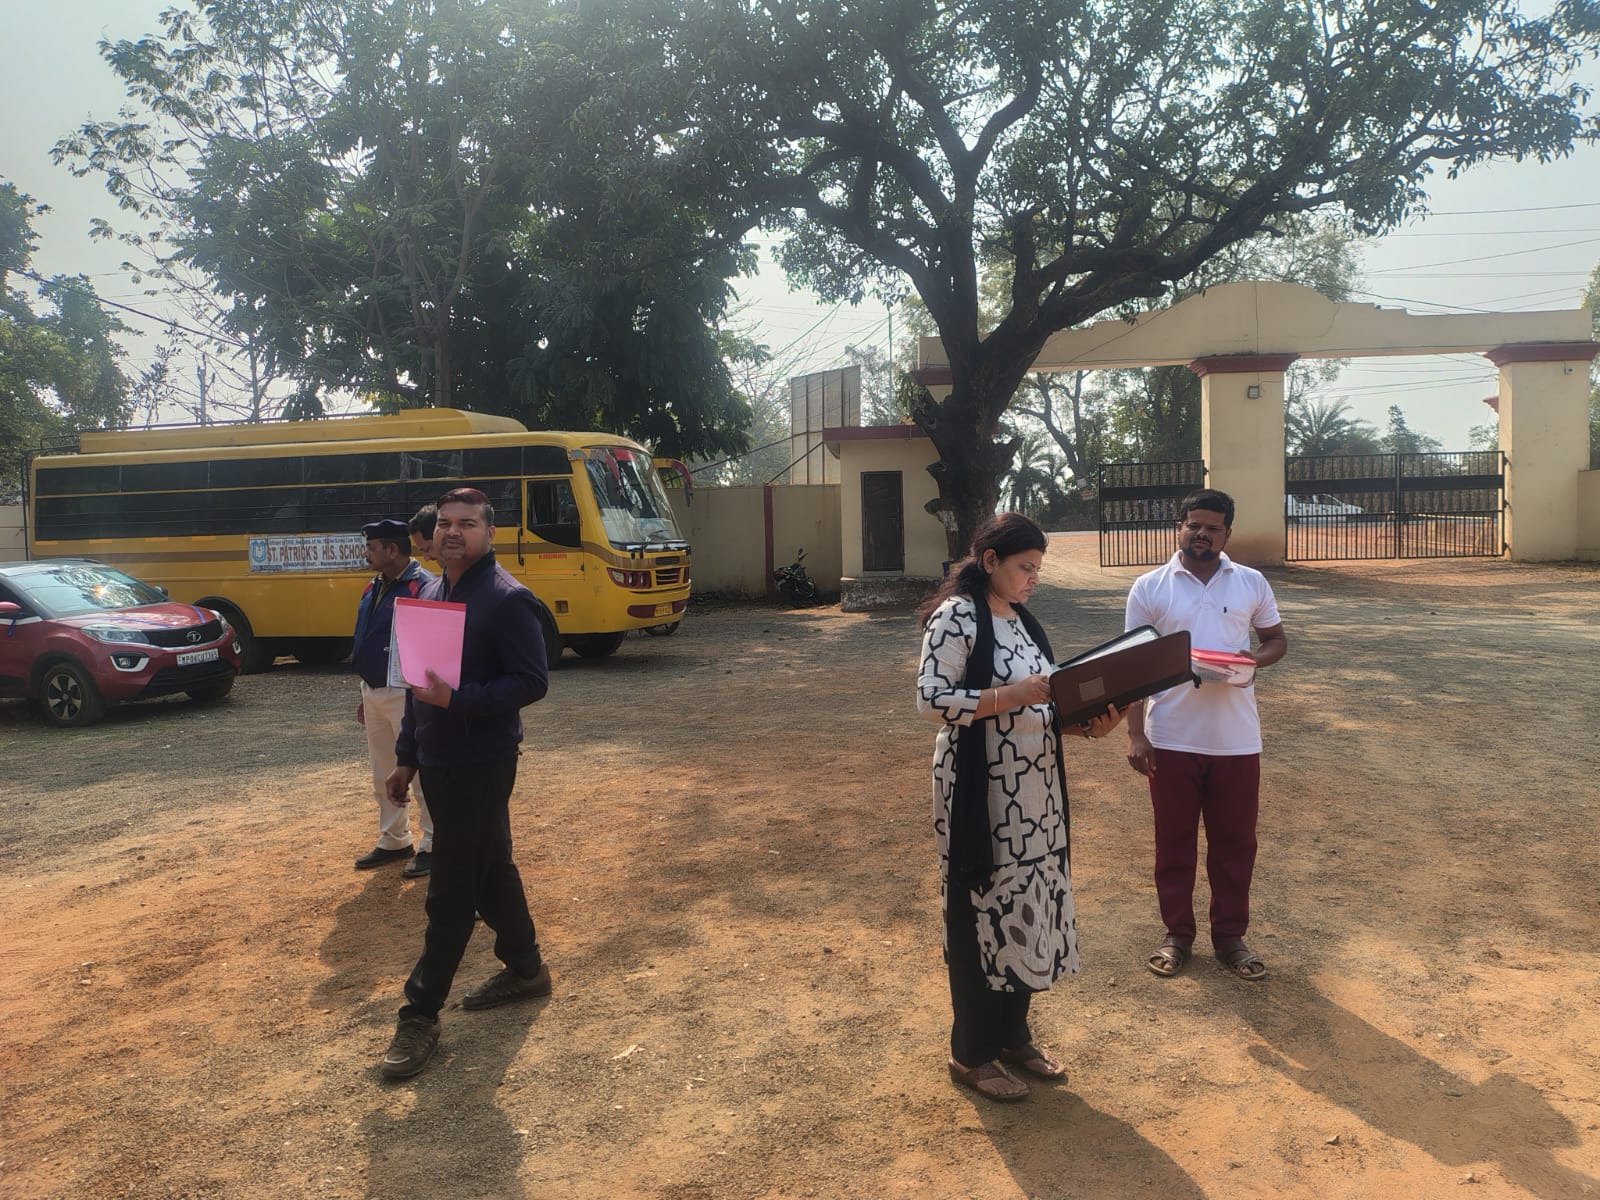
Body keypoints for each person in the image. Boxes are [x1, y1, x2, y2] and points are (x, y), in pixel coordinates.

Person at [916, 513, 1123, 1103]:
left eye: (1038, 569)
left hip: (1037, 794)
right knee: (981, 907)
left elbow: (1046, 705)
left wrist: (1088, 727)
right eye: (1024, 567)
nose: (1034, 578)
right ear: (990, 562)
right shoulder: (957, 616)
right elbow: (931, 700)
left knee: (1030, 905)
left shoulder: (1023, 620)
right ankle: (970, 1053)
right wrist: (1011, 695)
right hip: (981, 792)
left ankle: (1013, 1036)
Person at [378, 488, 552, 1080]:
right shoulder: (430, 592)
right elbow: (416, 687)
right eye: (445, 523)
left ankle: (420, 1012)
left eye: (467, 524)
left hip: (483, 761)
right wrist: (406, 758)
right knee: (490, 865)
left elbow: (531, 681)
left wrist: (459, 699)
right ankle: (526, 968)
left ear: (489, 532)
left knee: (451, 888)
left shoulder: (507, 599)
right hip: (438, 760)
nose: (453, 532)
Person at [1123, 488, 1288, 982]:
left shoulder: (1251, 582)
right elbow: (1133, 663)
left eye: (1213, 527)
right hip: (1171, 736)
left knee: (1235, 843)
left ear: (1226, 534)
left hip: (1236, 739)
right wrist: (1136, 734)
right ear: (1179, 527)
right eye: (1194, 524)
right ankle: (1177, 934)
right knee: (1173, 843)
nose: (1202, 534)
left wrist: (1252, 661)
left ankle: (1230, 938)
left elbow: (1276, 640)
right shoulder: (1150, 587)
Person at [351, 518, 436, 876]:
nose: (366, 554)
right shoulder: (374, 586)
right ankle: (394, 838)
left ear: (391, 549)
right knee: (383, 770)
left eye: (371, 548)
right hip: (374, 690)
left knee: (420, 771)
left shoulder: (423, 586)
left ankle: (433, 840)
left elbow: (430, 648)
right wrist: (366, 692)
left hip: (407, 693)